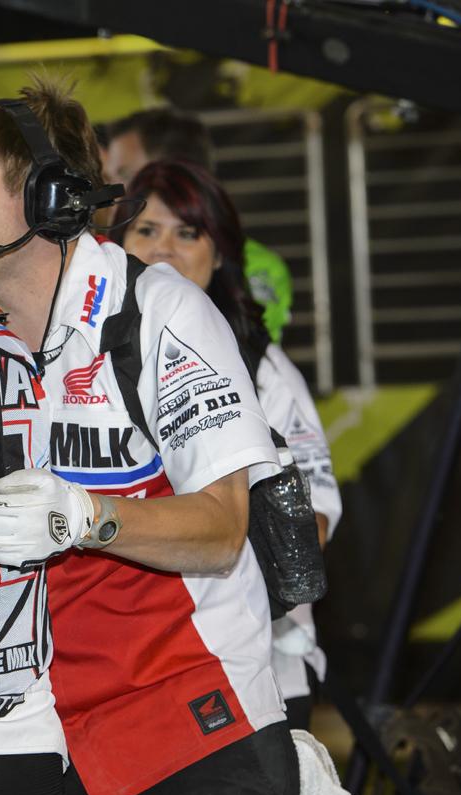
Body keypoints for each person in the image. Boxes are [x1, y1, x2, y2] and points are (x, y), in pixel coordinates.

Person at [0, 82, 298, 795]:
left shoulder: (158, 312)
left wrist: (82, 517)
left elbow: (225, 529)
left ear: (47, 198)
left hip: (195, 726)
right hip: (55, 742)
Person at [117, 158, 341, 730]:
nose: (164, 248)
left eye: (187, 232)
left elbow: (313, 523)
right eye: (146, 230)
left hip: (256, 670)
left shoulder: (265, 369)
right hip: (130, 672)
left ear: (219, 255)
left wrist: (220, 531)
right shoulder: (79, 356)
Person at [104, 108, 294, 343]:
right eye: (147, 231)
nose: (110, 191)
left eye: (123, 174)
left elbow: (254, 351)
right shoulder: (98, 259)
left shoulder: (260, 268)